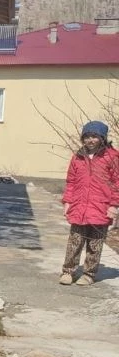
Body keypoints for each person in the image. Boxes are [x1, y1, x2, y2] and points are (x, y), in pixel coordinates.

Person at [60, 120, 119, 286]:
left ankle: (89, 274)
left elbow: (117, 183)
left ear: (102, 138)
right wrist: (67, 201)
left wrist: (114, 205)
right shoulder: (77, 157)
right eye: (87, 136)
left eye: (94, 136)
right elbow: (71, 182)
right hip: (79, 207)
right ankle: (68, 271)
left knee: (95, 243)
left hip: (101, 207)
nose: (90, 140)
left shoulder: (112, 157)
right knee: (75, 242)